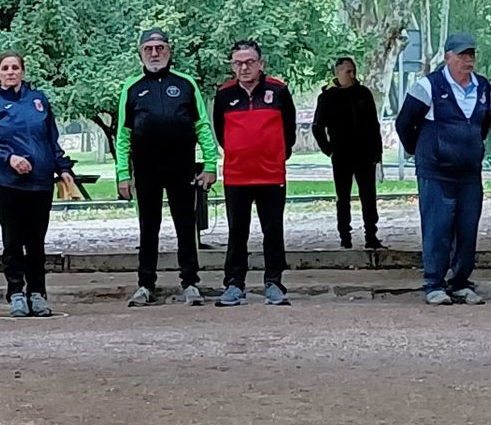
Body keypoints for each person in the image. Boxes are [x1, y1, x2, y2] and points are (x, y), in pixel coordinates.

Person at [114, 28, 218, 307]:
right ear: (140, 54)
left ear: (169, 51)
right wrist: (123, 174)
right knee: (148, 227)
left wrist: (210, 163)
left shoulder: (185, 84)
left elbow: (202, 126)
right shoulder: (132, 88)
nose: (154, 53)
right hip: (145, 169)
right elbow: (123, 135)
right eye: (148, 49)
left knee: (185, 225)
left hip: (181, 167)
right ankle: (145, 284)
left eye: (160, 48)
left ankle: (190, 282)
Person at [0, 51, 77, 317]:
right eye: (5, 68)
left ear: (22, 72)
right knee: (13, 240)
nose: (10, 72)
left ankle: (38, 293)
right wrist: (8, 158)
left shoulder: (38, 101)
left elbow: (51, 140)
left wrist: (63, 168)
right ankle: (16, 293)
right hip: (8, 184)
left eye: (15, 67)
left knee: (36, 242)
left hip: (40, 183)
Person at [396, 33, 491, 306]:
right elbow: (404, 123)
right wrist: (421, 151)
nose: (468, 60)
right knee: (437, 227)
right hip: (436, 171)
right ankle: (434, 284)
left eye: (471, 54)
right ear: (448, 57)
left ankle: (460, 283)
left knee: (467, 229)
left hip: (469, 172)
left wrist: (472, 147)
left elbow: (484, 125)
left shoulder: (485, 89)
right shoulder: (427, 86)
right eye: (462, 55)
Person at [212, 40, 297, 307]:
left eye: (249, 62)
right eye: (238, 63)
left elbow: (290, 130)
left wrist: (276, 155)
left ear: (261, 64)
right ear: (232, 66)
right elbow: (220, 132)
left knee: (273, 230)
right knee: (237, 232)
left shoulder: (279, 90)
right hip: (237, 175)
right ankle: (234, 284)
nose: (244, 67)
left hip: (271, 175)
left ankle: (274, 283)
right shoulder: (224, 94)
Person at [312, 56, 385, 250]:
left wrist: (377, 151)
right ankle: (345, 236)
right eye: (348, 72)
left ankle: (371, 235)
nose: (352, 75)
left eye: (353, 71)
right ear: (337, 73)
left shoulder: (363, 94)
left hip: (365, 154)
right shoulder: (328, 97)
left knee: (368, 196)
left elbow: (373, 124)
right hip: (341, 154)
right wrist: (329, 149)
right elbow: (317, 127)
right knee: (343, 197)